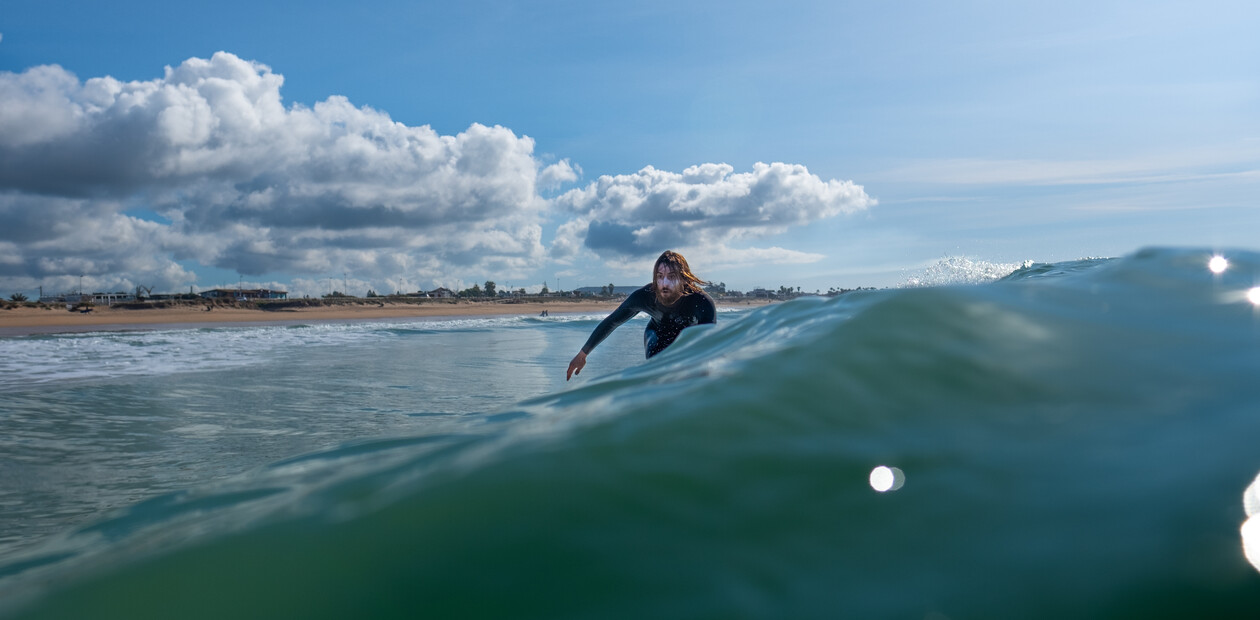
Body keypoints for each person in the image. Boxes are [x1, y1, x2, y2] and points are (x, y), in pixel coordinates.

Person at [566, 250, 716, 380]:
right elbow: (612, 321)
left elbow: (708, 343)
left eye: (671, 277)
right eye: (660, 276)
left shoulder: (701, 302)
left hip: (687, 337)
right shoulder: (645, 296)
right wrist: (582, 354)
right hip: (657, 333)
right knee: (656, 369)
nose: (664, 283)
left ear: (683, 279)